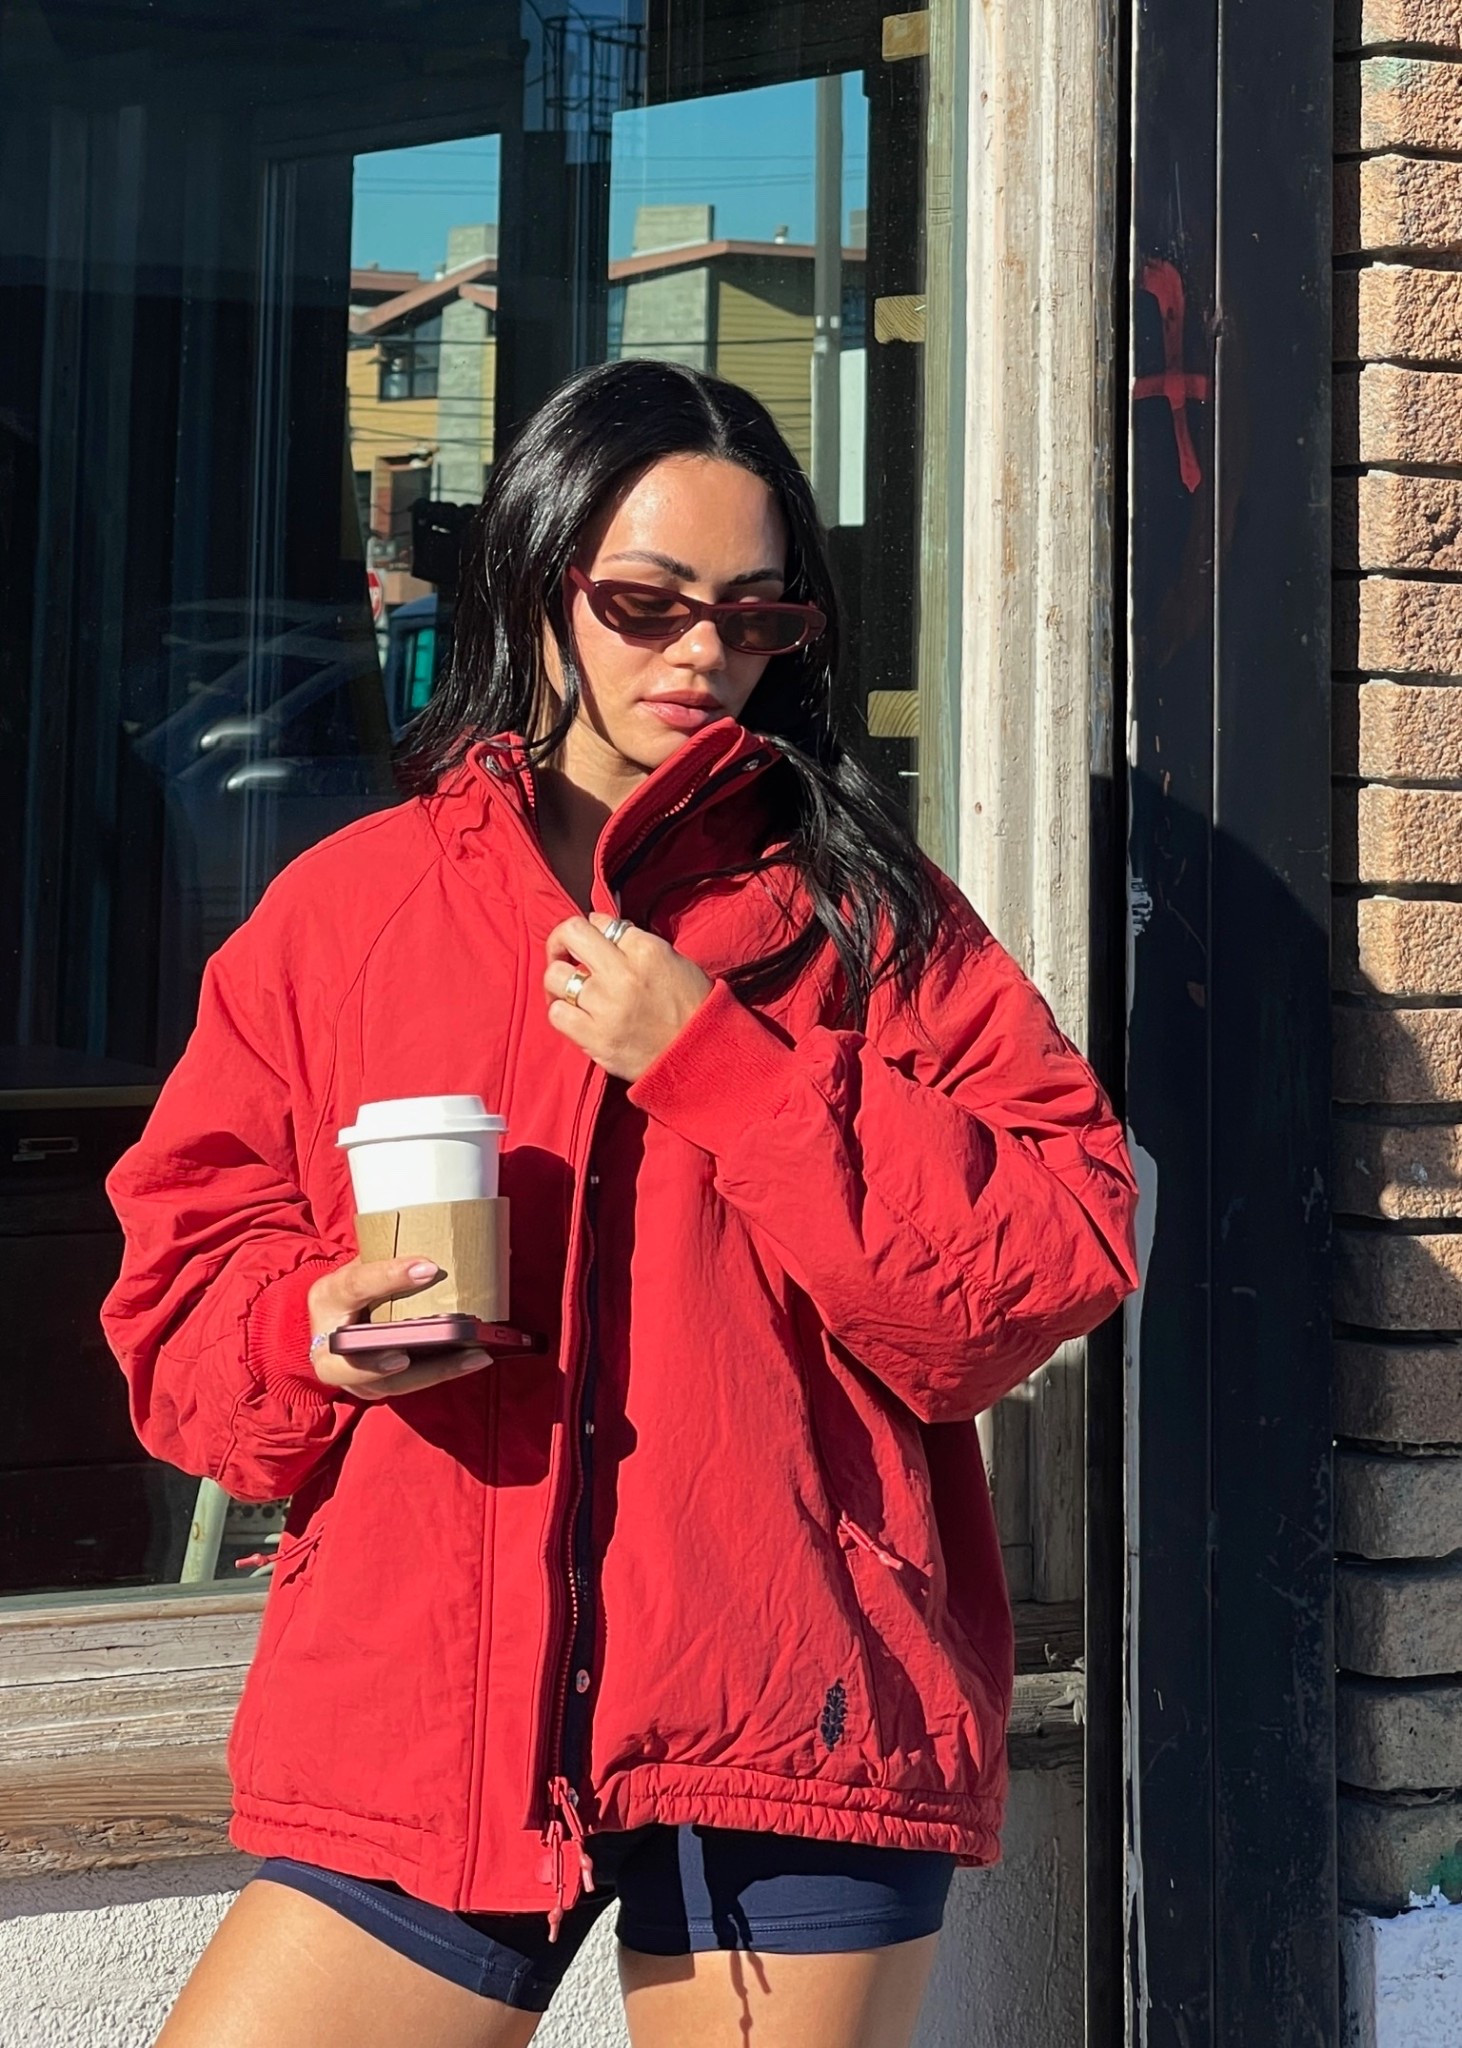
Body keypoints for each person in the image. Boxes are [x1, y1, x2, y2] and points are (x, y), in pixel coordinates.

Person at [102, 359, 1140, 2048]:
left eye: (750, 614)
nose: (696, 654)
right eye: (643, 602)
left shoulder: (866, 916)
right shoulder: (352, 909)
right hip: (432, 1695)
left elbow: (1054, 1249)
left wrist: (719, 1064)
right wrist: (311, 1337)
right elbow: (180, 1285)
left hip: (790, 1683)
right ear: (539, 583)